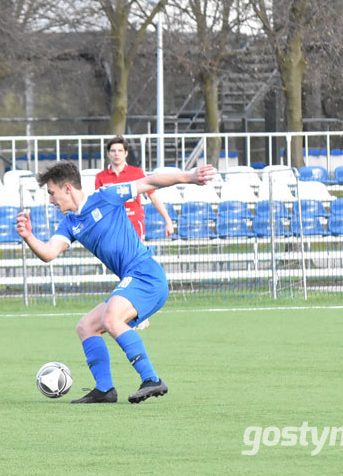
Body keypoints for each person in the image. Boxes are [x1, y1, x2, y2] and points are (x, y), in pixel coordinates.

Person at [16, 161, 215, 403]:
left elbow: (149, 182)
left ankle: (151, 379)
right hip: (134, 279)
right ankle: (105, 390)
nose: (51, 201)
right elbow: (48, 253)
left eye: (52, 193)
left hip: (146, 274)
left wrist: (191, 177)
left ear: (67, 188)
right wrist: (28, 236)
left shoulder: (106, 196)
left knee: (111, 318)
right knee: (86, 326)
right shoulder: (70, 223)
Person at [94, 136, 175, 331]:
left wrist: (168, 220)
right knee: (123, 270)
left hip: (134, 223)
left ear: (126, 153)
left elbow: (154, 197)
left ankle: (141, 312)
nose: (116, 154)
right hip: (114, 229)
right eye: (113, 151)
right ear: (108, 153)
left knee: (136, 267)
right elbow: (100, 205)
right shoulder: (101, 177)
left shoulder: (136, 173)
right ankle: (129, 309)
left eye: (120, 151)